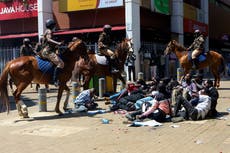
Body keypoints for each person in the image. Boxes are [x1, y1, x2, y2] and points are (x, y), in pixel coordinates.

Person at [40, 19, 64, 86]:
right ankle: (54, 80)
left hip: (47, 51)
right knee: (61, 63)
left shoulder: (46, 31)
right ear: (52, 25)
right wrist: (58, 43)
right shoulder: (49, 31)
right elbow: (49, 39)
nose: (55, 27)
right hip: (48, 52)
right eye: (54, 25)